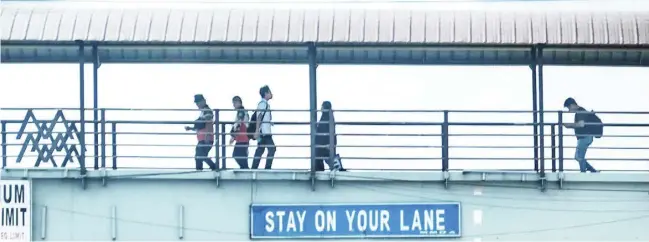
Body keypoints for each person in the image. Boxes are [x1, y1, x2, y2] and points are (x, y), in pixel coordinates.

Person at [563, 97, 598, 173]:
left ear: (572, 105)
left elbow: (581, 124)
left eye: (568, 108)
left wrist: (569, 125)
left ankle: (584, 172)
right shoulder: (581, 111)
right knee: (578, 157)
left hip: (584, 137)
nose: (569, 111)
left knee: (579, 157)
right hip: (585, 137)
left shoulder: (580, 111)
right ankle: (592, 170)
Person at [185, 94, 217, 171]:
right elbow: (200, 125)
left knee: (200, 155)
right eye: (196, 103)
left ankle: (213, 167)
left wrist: (207, 135)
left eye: (198, 102)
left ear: (203, 101)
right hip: (202, 138)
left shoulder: (207, 111)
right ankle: (202, 170)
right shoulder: (203, 111)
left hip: (205, 138)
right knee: (199, 156)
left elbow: (208, 122)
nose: (197, 104)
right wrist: (191, 128)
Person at [314, 101, 344, 171]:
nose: (321, 108)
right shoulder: (328, 116)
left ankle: (337, 168)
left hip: (324, 143)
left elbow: (325, 130)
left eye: (322, 106)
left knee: (323, 155)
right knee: (325, 156)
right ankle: (338, 168)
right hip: (325, 142)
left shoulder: (326, 117)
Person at [251, 85, 276, 169]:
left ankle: (254, 168)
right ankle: (267, 168)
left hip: (264, 131)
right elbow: (259, 117)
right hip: (264, 132)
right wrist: (257, 130)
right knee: (271, 149)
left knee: (260, 150)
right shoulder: (263, 104)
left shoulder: (265, 104)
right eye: (269, 92)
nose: (271, 94)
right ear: (266, 93)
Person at [229, 96, 250, 169]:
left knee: (236, 154)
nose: (233, 105)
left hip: (242, 138)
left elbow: (238, 123)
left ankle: (245, 169)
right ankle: (245, 169)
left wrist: (233, 137)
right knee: (242, 156)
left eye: (234, 103)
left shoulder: (241, 111)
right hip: (244, 138)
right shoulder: (243, 111)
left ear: (238, 102)